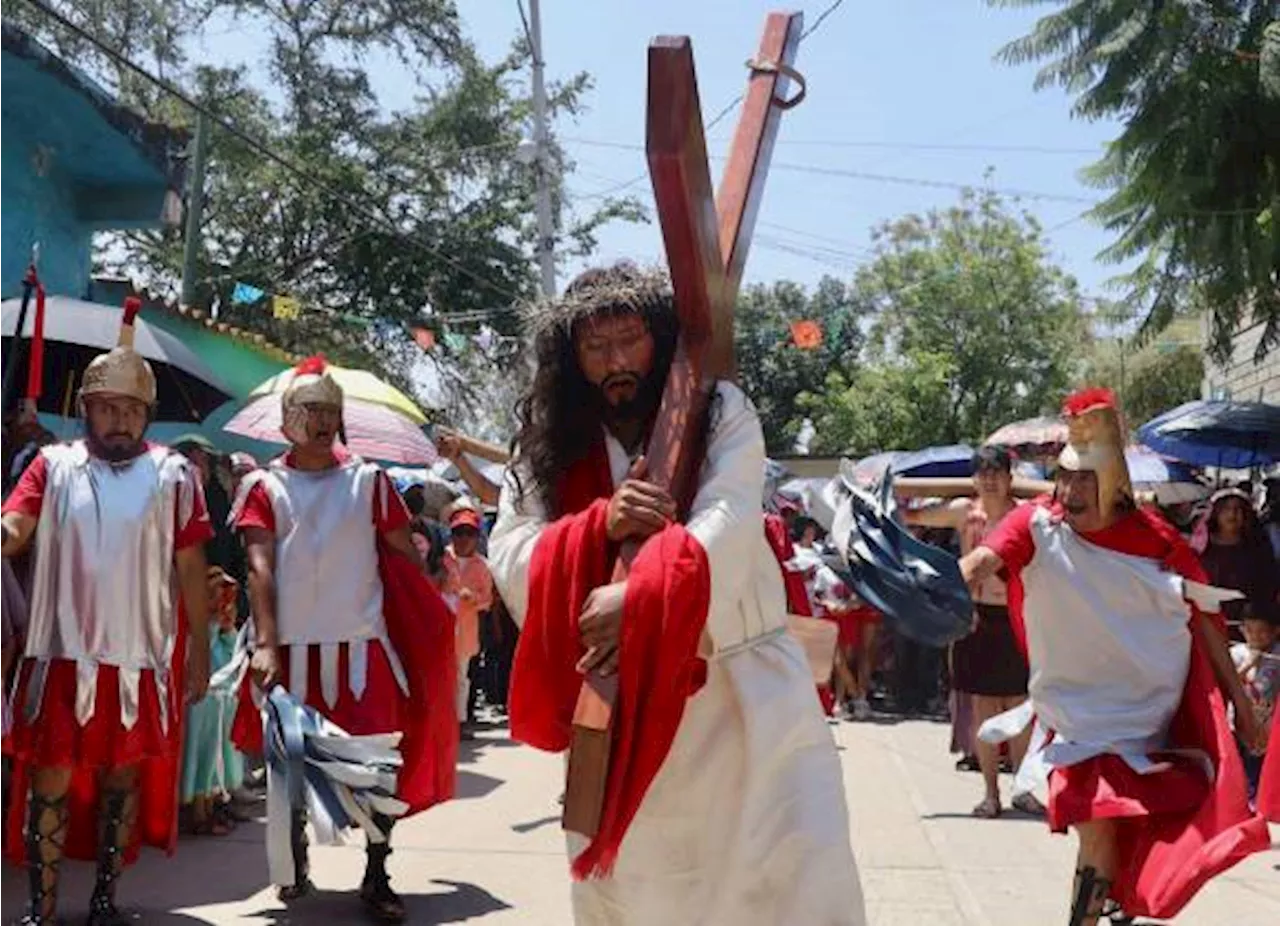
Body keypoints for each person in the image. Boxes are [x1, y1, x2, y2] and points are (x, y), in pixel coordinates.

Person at [488, 263, 864, 925]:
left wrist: (646, 599)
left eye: (629, 340)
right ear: (571, 358)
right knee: (640, 896)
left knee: (784, 882)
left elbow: (731, 516)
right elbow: (511, 548)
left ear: (660, 339)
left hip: (742, 697)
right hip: (621, 707)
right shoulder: (544, 445)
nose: (614, 363)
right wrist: (597, 527)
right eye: (595, 348)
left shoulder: (721, 411)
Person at [960, 388, 1271, 926]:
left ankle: (1102, 906)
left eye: (1086, 479)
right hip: (1074, 715)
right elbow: (985, 559)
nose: (1072, 491)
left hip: (1142, 715)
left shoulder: (1158, 540)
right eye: (1066, 477)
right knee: (1098, 823)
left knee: (1117, 829)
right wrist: (943, 586)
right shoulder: (1036, 524)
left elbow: (1203, 619)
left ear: (1114, 483)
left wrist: (1241, 710)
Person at [0, 299, 212, 926]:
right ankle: (41, 905)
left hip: (138, 656)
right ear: (86, 408)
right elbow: (16, 526)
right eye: (108, 407)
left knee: (122, 783)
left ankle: (104, 901)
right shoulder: (51, 465)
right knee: (50, 782)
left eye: (132, 409)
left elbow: (192, 567)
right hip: (58, 652)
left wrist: (199, 646)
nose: (120, 420)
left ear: (146, 415)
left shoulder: (174, 474)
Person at [228, 355, 457, 924]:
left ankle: (377, 873)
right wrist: (265, 643)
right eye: (309, 410)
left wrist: (423, 620)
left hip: (361, 647)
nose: (321, 420)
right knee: (293, 764)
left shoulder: (368, 481)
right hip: (294, 650)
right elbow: (259, 566)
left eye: (330, 411)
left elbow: (404, 559)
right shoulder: (263, 485)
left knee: (376, 769)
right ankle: (297, 854)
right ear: (286, 421)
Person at [909, 445, 1040, 818]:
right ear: (974, 478)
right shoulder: (966, 512)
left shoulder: (1027, 515)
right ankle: (990, 793)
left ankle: (1024, 789)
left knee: (1019, 708)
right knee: (984, 708)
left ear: (1009, 477)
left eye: (997, 472)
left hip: (1016, 617)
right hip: (975, 619)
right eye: (983, 473)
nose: (990, 480)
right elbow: (913, 514)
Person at [1192, 487, 1279, 634]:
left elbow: (1268, 583)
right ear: (1216, 513)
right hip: (1208, 618)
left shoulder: (1257, 547)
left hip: (1248, 626)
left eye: (1238, 509)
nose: (1232, 514)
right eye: (1226, 509)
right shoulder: (1201, 547)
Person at [442, 502, 494, 735]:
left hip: (465, 630)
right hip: (440, 629)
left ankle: (459, 721)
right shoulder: (441, 558)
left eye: (469, 533)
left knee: (461, 678)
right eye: (458, 532)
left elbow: (488, 600)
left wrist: (472, 599)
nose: (463, 538)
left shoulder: (482, 565)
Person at [1230, 607, 1280, 803]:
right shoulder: (1236, 653)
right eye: (1250, 630)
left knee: (1264, 770)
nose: (1255, 636)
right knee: (1243, 769)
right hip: (1241, 723)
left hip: (1269, 725)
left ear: (1275, 631)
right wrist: (1250, 663)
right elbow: (1229, 682)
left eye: (1262, 631)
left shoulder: (1277, 655)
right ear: (1242, 630)